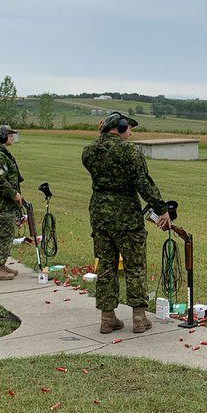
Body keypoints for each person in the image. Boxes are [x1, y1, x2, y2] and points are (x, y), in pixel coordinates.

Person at [81, 112, 171, 334]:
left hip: (100, 215)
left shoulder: (89, 151)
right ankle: (139, 317)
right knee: (134, 266)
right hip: (126, 216)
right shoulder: (129, 151)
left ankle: (107, 317)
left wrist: (101, 136)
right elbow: (143, 183)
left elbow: (100, 153)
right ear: (119, 127)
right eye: (129, 127)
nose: (131, 132)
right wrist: (162, 209)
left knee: (106, 266)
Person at [0, 125, 23, 281]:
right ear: (2, 137)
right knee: (3, 234)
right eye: (10, 135)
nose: (13, 137)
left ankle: (1, 264)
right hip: (1, 201)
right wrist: (13, 193)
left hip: (5, 201)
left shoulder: (1, 153)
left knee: (7, 233)